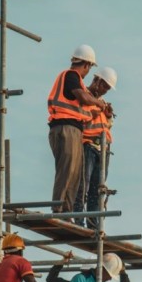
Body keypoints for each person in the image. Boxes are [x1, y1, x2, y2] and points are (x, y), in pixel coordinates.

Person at [48, 44, 107, 216]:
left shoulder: (75, 81)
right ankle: (58, 208)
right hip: (64, 128)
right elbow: (83, 97)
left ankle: (66, 211)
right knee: (66, 170)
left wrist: (99, 109)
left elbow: (82, 108)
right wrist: (98, 102)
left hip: (72, 129)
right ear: (87, 65)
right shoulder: (71, 75)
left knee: (74, 173)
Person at [73, 67, 117, 228]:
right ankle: (78, 220)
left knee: (97, 190)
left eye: (107, 88)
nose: (105, 90)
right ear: (97, 80)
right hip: (88, 146)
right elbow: (80, 118)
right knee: (82, 186)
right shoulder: (84, 96)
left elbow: (106, 126)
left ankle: (93, 224)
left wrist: (109, 115)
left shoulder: (102, 103)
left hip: (103, 149)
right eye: (104, 86)